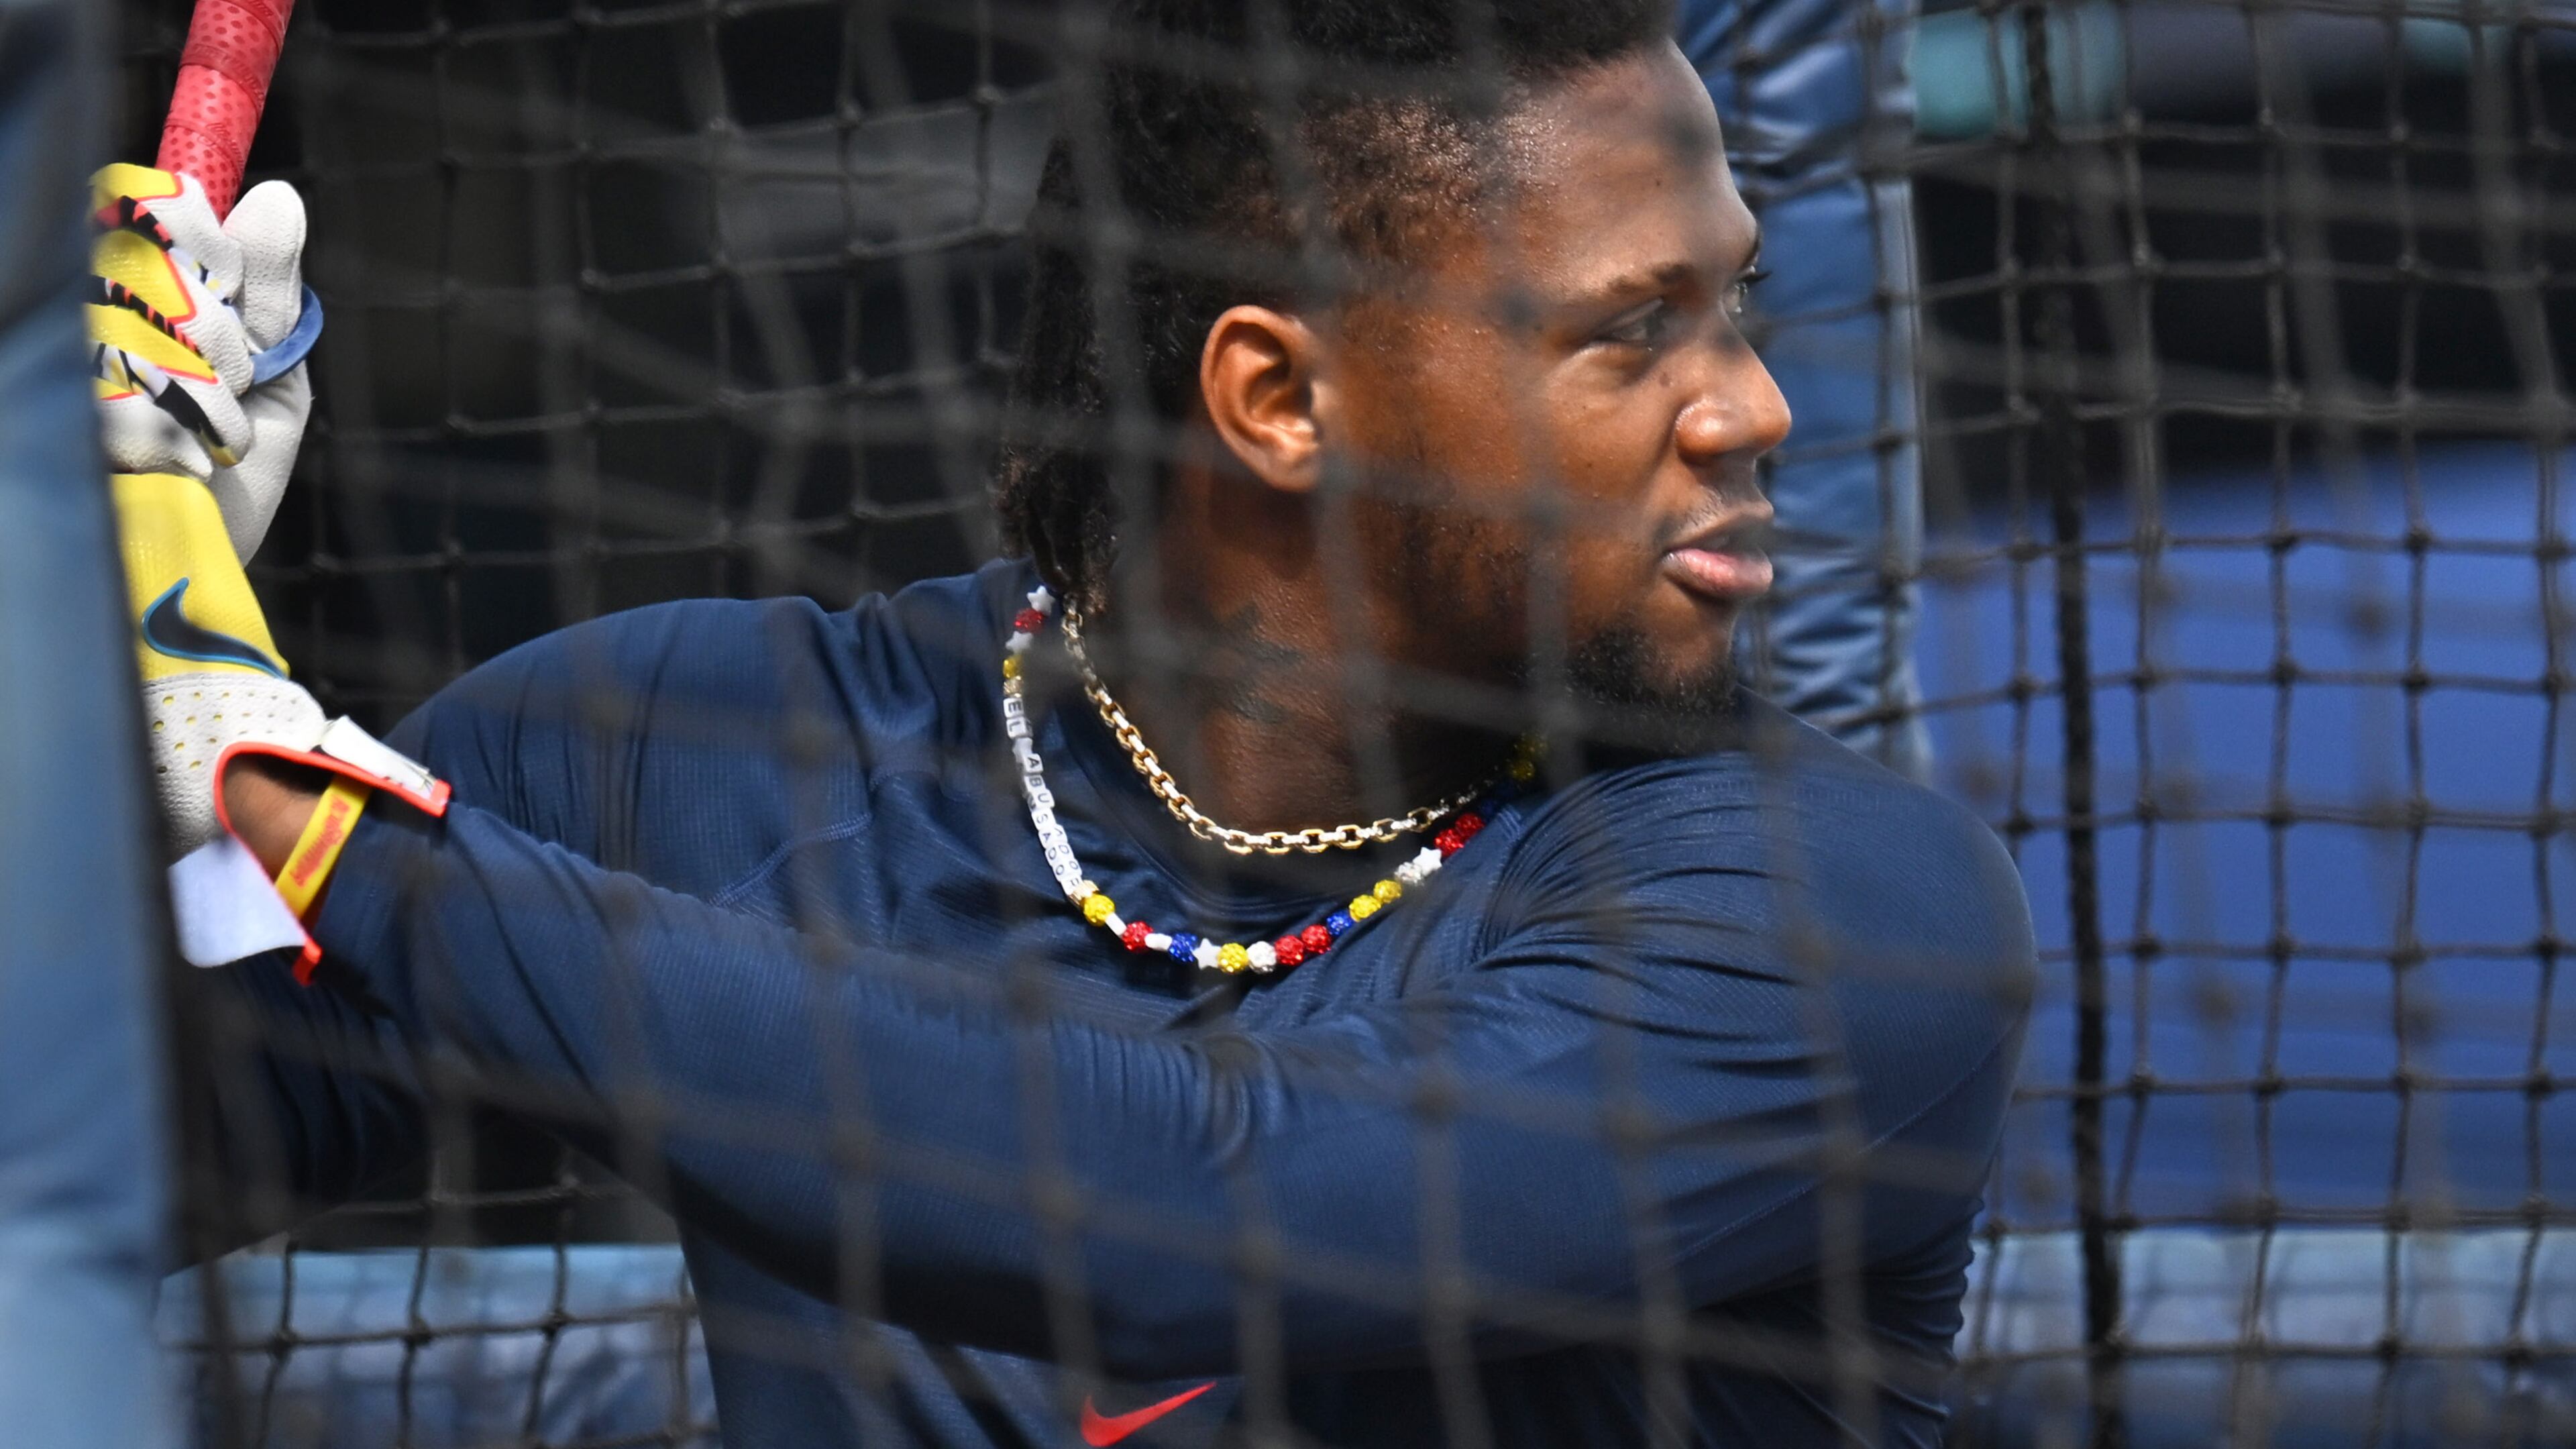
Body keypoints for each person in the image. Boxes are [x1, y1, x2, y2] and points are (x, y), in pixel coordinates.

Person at [107, 0, 2033, 1443]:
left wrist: (294, 792)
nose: (1754, 408)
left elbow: (1208, 1200)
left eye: (1737, 308)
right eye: (1634, 331)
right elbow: (101, 1159)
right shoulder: (677, 754)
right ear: (1281, 401)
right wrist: (77, 658)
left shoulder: (1828, 910)